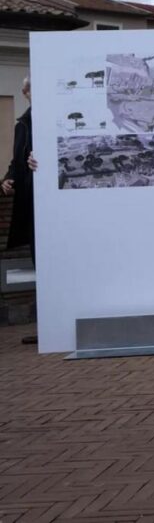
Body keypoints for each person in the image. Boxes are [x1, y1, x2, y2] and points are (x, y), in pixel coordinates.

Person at [2, 77, 37, 345]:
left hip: (55, 204)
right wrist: (8, 179)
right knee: (40, 262)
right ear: (25, 92)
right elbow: (17, 161)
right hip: (33, 202)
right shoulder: (23, 124)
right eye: (32, 88)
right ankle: (47, 325)